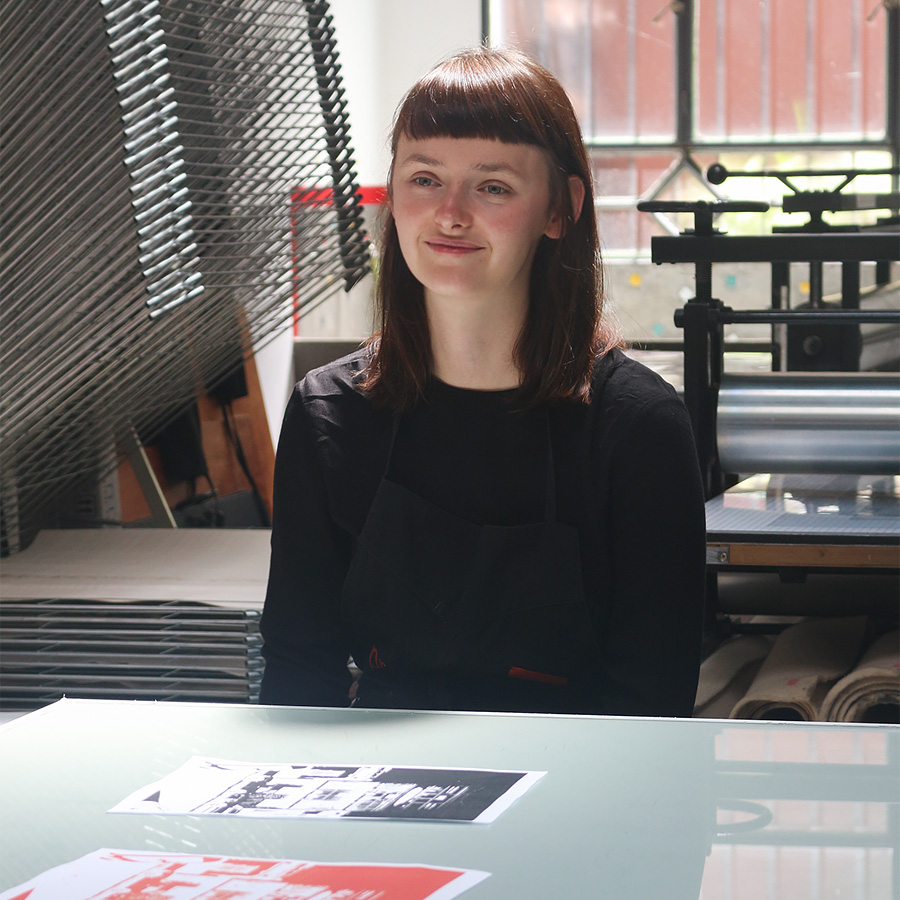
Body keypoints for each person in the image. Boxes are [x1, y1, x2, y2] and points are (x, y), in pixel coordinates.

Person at [259, 47, 706, 717]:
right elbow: (298, 673)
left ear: (560, 209)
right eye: (424, 178)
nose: (450, 213)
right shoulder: (330, 415)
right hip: (380, 776)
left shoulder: (638, 429)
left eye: (492, 186)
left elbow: (652, 706)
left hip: (581, 774)